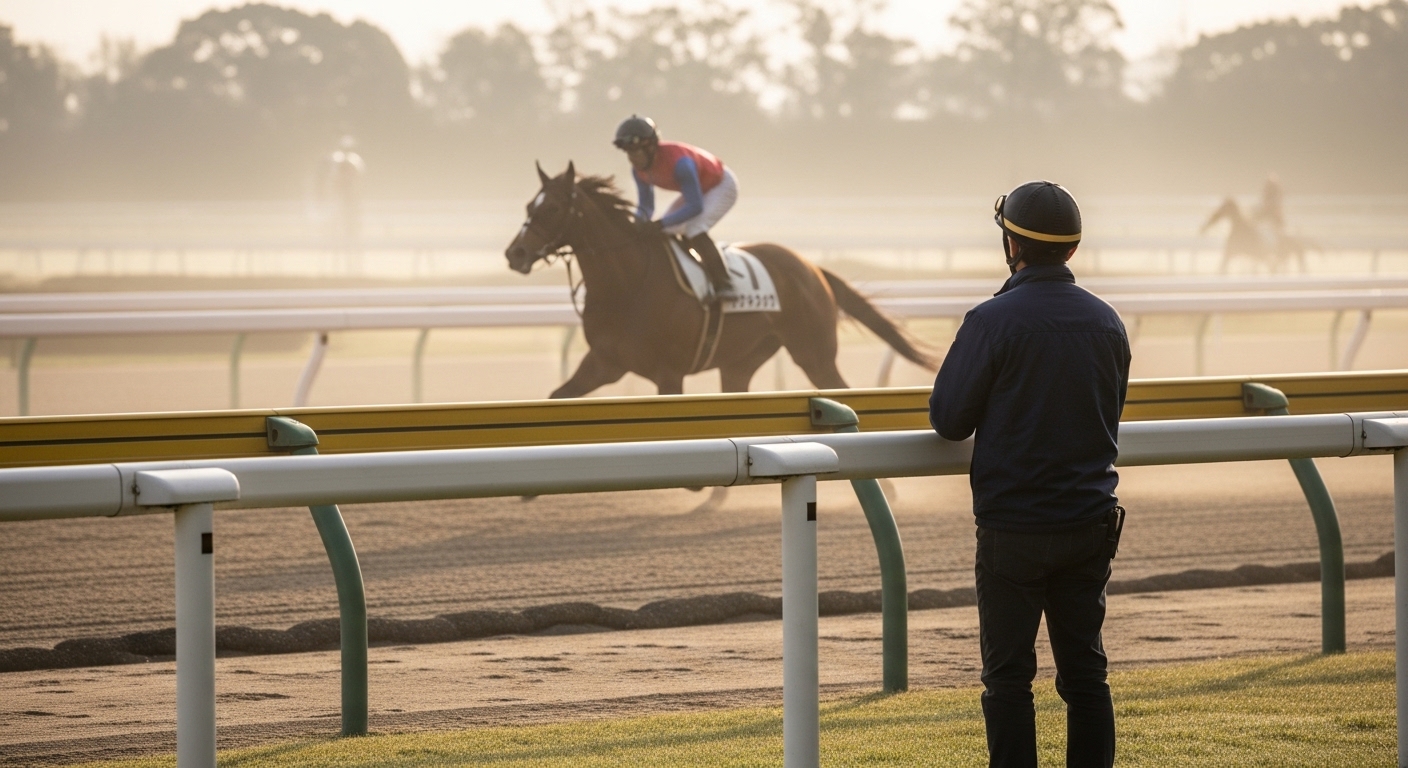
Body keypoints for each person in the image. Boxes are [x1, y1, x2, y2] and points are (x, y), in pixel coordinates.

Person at [929, 181, 1131, 768]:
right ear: (1070, 250)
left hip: (1013, 528)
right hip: (1090, 521)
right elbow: (1106, 410)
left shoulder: (992, 320)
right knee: (1087, 676)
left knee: (1008, 681)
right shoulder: (1108, 320)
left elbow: (948, 420)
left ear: (1011, 243)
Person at [613, 114, 739, 297]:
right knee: (668, 231)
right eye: (628, 153)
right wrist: (637, 224)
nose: (633, 158)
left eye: (636, 151)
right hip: (700, 188)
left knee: (694, 227)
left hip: (722, 185)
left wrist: (661, 223)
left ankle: (724, 283)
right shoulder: (638, 171)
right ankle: (691, 275)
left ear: (650, 146)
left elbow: (695, 207)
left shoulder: (681, 164)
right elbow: (646, 206)